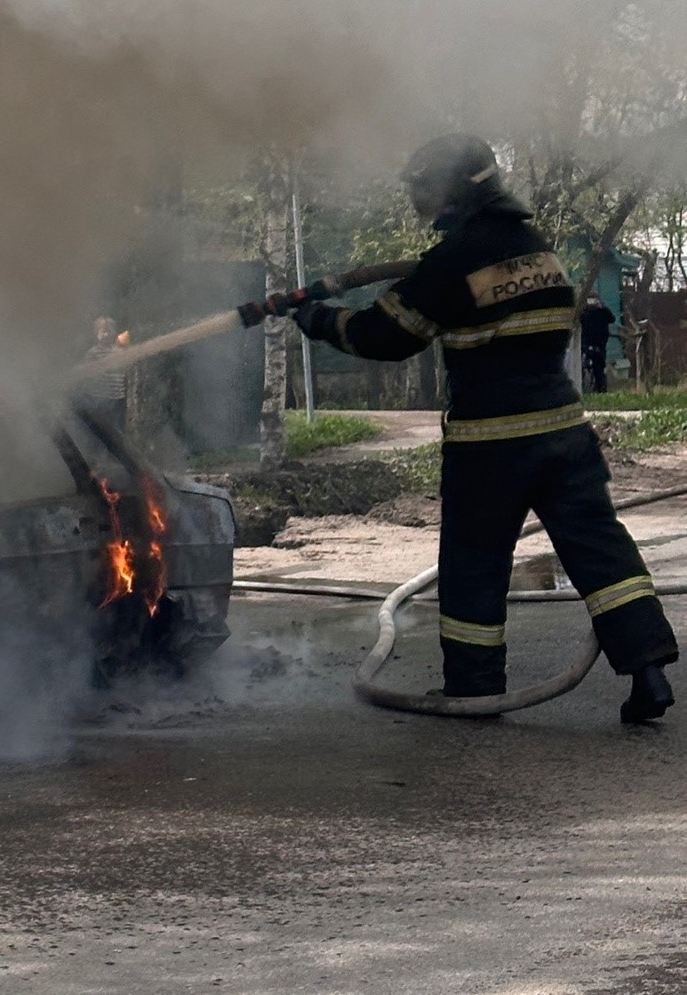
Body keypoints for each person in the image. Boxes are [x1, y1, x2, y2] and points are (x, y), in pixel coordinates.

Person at [289, 136, 676, 722]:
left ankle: (474, 686)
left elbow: (383, 335)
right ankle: (648, 668)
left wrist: (316, 319)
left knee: (474, 559)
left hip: (490, 444)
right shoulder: (534, 248)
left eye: (423, 188)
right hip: (565, 434)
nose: (418, 201)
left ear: (451, 188)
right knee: (600, 550)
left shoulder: (452, 261)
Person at [581, 291, 616, 395]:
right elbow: (581, 320)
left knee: (599, 368)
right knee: (584, 366)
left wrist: (602, 308)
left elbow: (612, 319)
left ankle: (601, 389)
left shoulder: (603, 311)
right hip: (586, 343)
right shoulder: (585, 312)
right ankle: (585, 388)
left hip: (600, 344)